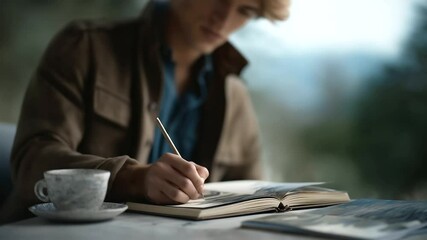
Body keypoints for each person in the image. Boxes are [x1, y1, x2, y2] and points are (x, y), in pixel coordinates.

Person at [0, 0, 290, 223]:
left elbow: (255, 200)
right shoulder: (86, 49)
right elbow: (32, 161)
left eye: (246, 10)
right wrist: (132, 178)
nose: (224, 19)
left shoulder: (235, 98)